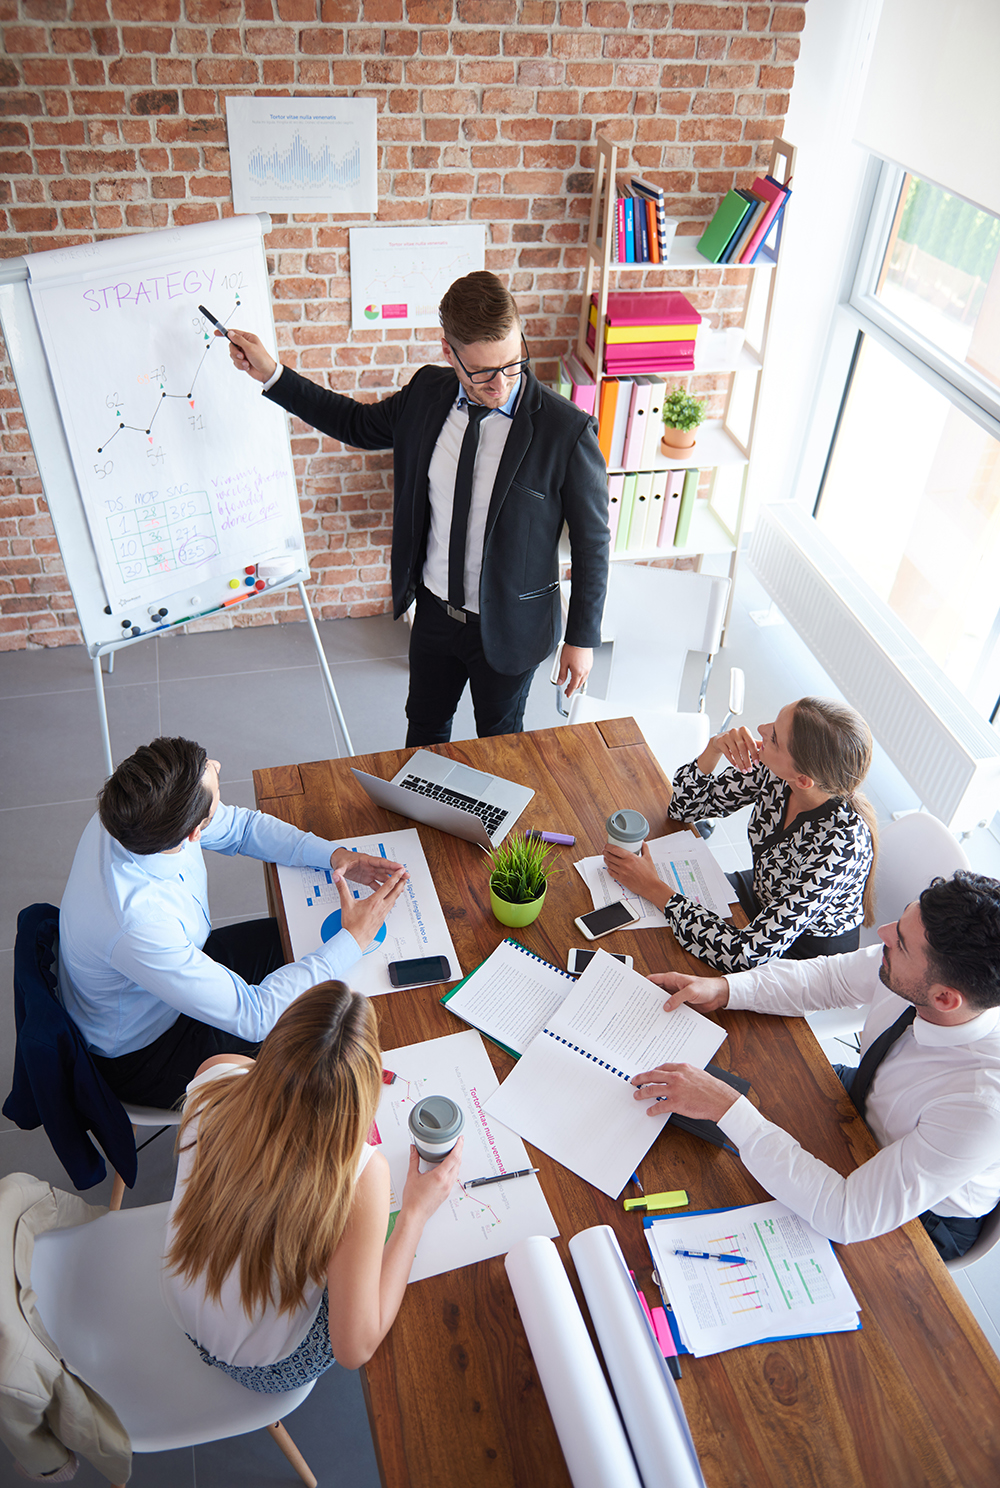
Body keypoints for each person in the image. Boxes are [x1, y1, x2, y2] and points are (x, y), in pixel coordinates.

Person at [222, 270, 610, 745]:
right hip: (434, 613)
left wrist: (581, 638)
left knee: (501, 743)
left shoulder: (566, 430)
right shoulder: (428, 392)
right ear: (449, 352)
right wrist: (273, 375)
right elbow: (356, 423)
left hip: (512, 626)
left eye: (513, 363)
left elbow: (592, 543)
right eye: (483, 372)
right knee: (424, 731)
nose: (502, 384)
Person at [631, 872, 1000, 1260]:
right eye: (903, 918)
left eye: (901, 943)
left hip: (919, 1215)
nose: (883, 933)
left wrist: (726, 1108)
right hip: (861, 1099)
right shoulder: (917, 969)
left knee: (715, 1186)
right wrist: (725, 989)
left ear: (944, 1000)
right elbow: (830, 978)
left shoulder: (981, 1106)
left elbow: (846, 1214)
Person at [58, 736, 407, 1108]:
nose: (218, 765)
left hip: (164, 980)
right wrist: (353, 937)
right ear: (194, 833)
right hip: (150, 1052)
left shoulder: (135, 810)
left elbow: (242, 828)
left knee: (299, 941)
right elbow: (256, 1015)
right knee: (326, 1036)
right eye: (213, 776)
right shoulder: (138, 924)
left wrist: (334, 855)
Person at [164, 980, 463, 1389]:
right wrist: (415, 1213)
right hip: (264, 1367)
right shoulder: (361, 1176)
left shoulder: (215, 1074)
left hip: (184, 1302)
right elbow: (354, 1350)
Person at [604, 697, 877, 970]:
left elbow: (745, 955)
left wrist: (653, 888)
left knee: (660, 955)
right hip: (762, 891)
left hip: (802, 952)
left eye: (774, 738)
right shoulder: (777, 772)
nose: (761, 729)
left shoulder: (841, 848)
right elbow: (684, 809)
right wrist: (714, 748)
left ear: (803, 780)